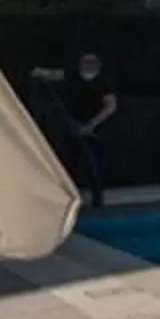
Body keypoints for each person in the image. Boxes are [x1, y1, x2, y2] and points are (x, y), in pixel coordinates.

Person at [33, 51, 117, 207]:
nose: (87, 66)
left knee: (92, 164)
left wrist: (91, 126)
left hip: (93, 128)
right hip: (75, 124)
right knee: (70, 159)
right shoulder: (75, 76)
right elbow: (56, 74)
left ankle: (97, 199)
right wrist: (41, 72)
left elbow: (110, 106)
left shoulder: (104, 82)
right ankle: (71, 195)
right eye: (84, 63)